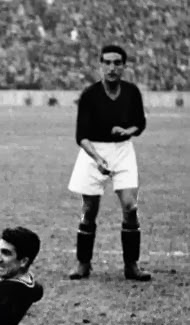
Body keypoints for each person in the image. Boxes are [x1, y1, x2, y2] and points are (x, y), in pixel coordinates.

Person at [67, 45, 151, 281]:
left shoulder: (131, 92)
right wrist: (97, 159)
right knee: (89, 209)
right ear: (101, 65)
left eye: (117, 63)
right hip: (93, 151)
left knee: (130, 207)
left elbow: (140, 123)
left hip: (123, 151)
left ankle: (131, 265)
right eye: (107, 63)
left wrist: (127, 131)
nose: (112, 68)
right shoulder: (89, 95)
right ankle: (83, 263)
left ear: (124, 66)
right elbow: (81, 136)